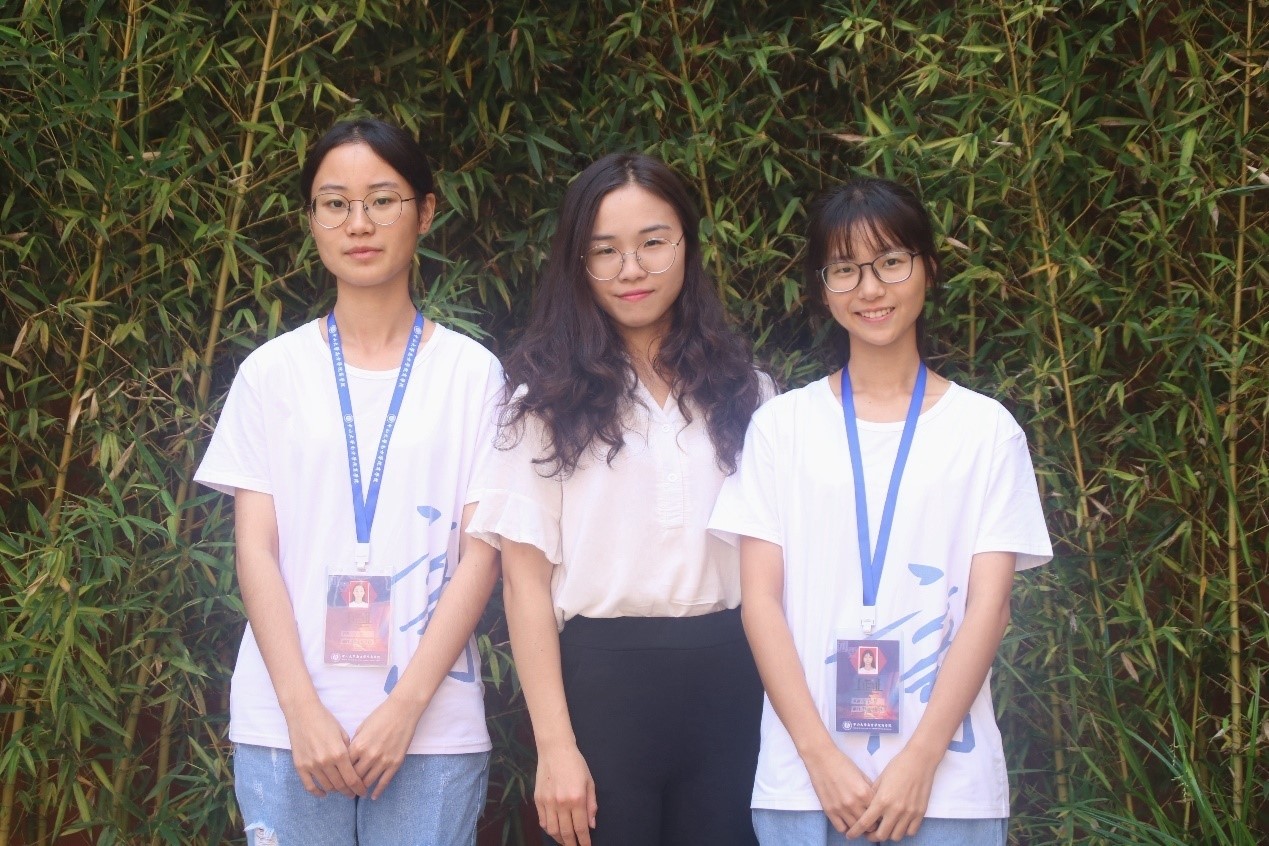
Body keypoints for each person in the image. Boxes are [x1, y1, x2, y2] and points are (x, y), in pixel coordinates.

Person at [709, 176, 1053, 845]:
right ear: (822, 288)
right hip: (805, 786)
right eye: (845, 269)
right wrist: (819, 758)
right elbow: (759, 601)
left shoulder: (986, 431)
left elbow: (990, 607)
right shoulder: (780, 427)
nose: (870, 288)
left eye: (891, 261)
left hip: (947, 787)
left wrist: (920, 761)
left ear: (928, 267)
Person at [194, 118, 501, 845]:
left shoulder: (473, 374)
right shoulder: (271, 373)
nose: (358, 224)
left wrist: (405, 708)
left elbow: (482, 553)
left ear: (425, 212)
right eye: (335, 204)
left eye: (383, 200)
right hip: (287, 724)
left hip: (432, 726)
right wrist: (301, 710)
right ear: (311, 220)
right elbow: (255, 548)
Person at [468, 153, 769, 846]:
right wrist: (555, 747)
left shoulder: (750, 394)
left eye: (652, 243)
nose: (631, 269)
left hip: (732, 686)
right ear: (577, 265)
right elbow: (524, 583)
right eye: (604, 251)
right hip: (601, 692)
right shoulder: (541, 405)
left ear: (687, 245)